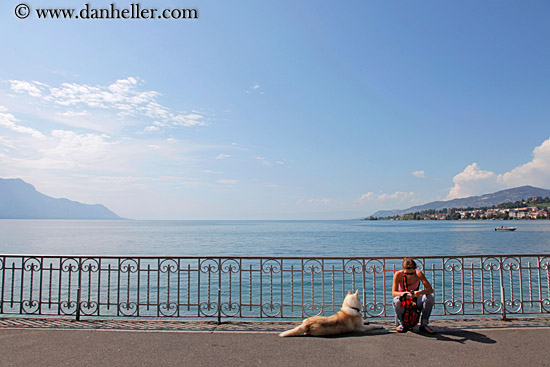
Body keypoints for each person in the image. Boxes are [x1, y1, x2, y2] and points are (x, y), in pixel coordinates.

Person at [392, 257, 436, 334]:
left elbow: (430, 289)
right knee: (396, 300)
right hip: (404, 300)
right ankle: (401, 323)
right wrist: (404, 294)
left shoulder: (418, 274)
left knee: (429, 297)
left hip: (415, 299)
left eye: (411, 273)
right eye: (407, 273)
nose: (409, 275)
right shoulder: (398, 274)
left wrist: (419, 292)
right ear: (403, 270)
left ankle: (424, 324)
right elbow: (394, 293)